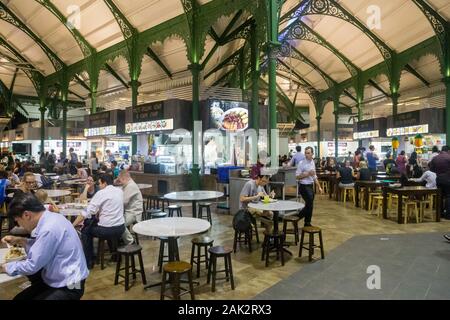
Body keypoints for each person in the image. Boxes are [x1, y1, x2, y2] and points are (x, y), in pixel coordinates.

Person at [0, 193, 88, 300]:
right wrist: (21, 240)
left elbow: (32, 265)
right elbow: (43, 247)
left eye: (18, 221)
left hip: (71, 284)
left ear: (27, 215)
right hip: (60, 278)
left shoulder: (48, 228)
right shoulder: (53, 217)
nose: (20, 226)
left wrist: (5, 267)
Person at [72, 174, 125, 269]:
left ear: (104, 183)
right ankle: (115, 256)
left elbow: (86, 212)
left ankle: (89, 261)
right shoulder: (120, 191)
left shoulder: (101, 193)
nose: (99, 186)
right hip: (121, 227)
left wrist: (73, 225)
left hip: (107, 230)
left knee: (85, 230)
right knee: (94, 223)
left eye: (99, 183)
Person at [296, 147, 323, 227]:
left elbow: (314, 176)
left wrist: (319, 187)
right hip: (303, 186)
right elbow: (297, 177)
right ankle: (298, 218)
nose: (306, 154)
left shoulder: (312, 162)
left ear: (312, 154)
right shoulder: (301, 163)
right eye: (306, 153)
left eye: (308, 153)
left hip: (311, 186)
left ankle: (307, 222)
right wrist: (307, 174)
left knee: (309, 205)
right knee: (309, 204)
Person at [115, 170, 143, 245]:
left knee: (119, 223)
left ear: (124, 178)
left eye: (120, 180)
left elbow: (123, 202)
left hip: (134, 213)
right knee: (116, 221)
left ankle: (130, 241)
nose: (119, 182)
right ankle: (121, 238)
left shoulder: (131, 186)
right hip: (128, 211)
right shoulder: (127, 185)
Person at [430, 146, 450, 218]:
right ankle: (448, 215)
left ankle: (440, 214)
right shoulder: (449, 157)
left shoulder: (435, 158)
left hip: (438, 179)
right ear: (448, 150)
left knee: (440, 196)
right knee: (448, 196)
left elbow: (431, 169)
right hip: (448, 179)